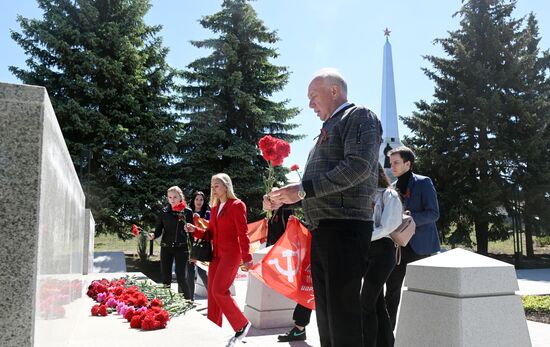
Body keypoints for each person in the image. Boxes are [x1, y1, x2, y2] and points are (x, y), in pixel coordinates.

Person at [267, 68, 382, 346]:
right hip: (325, 230)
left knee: (343, 317)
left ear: (334, 91)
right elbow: (315, 185)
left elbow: (358, 167)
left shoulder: (359, 116)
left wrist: (303, 190)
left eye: (313, 96)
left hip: (345, 227)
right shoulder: (327, 128)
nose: (309, 104)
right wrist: (285, 197)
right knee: (328, 317)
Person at [185, 173, 253, 345]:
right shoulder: (215, 208)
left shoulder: (237, 205)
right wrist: (195, 230)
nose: (213, 189)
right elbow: (210, 234)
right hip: (216, 255)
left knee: (219, 291)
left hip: (231, 254)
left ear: (226, 186)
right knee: (212, 294)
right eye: (212, 186)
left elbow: (243, 234)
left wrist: (247, 258)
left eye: (217, 185)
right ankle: (213, 328)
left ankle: (242, 323)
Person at [384, 146, 441, 329]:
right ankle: (386, 336)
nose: (392, 166)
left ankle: (423, 333)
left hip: (420, 248)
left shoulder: (424, 182)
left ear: (408, 163)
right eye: (391, 163)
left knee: (421, 294)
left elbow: (433, 213)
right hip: (398, 248)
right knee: (391, 293)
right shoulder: (391, 188)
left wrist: (409, 219)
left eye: (396, 162)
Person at [362, 164, 403, 347]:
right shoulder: (363, 195)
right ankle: (387, 343)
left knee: (366, 301)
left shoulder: (389, 194)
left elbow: (388, 226)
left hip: (382, 252)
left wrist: (363, 238)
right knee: (376, 303)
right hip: (365, 252)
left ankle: (368, 343)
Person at [263, 203, 312, 343]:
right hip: (305, 252)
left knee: (310, 289)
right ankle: (299, 327)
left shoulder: (286, 209)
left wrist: (299, 223)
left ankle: (300, 327)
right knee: (307, 289)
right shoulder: (276, 212)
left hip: (312, 251)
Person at [148, 186, 194, 299]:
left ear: (180, 197)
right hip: (166, 248)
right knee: (165, 278)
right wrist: (153, 235)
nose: (172, 199)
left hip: (182, 248)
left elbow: (192, 234)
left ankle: (189, 301)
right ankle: (166, 302)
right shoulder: (164, 212)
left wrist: (192, 251)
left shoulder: (187, 212)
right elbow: (158, 229)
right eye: (170, 197)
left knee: (181, 277)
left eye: (175, 197)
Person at [187, 191, 210, 299]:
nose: (199, 202)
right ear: (193, 200)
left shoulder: (208, 214)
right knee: (190, 273)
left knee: (202, 272)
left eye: (201, 199)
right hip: (190, 246)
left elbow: (209, 229)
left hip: (202, 247)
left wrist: (200, 220)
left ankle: (213, 296)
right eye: (197, 199)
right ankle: (190, 298)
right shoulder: (188, 213)